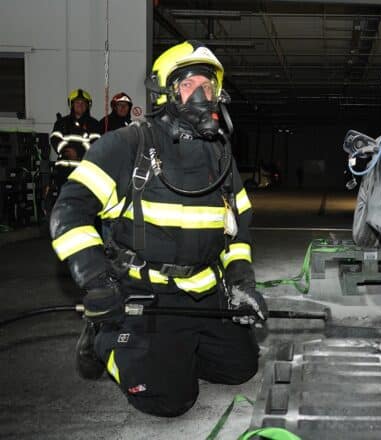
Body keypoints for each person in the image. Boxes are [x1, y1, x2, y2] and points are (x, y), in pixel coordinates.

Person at [49, 41, 266, 417]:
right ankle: (107, 341)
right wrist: (98, 282)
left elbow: (238, 230)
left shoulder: (220, 156)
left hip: (204, 290)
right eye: (188, 84)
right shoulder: (127, 145)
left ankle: (171, 354)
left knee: (241, 368)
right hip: (147, 293)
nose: (201, 95)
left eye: (208, 86)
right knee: (171, 400)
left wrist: (241, 281)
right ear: (165, 92)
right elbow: (69, 212)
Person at [44, 89, 101, 215]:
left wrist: (78, 154)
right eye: (77, 102)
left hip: (85, 173)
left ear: (88, 106)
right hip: (64, 172)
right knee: (63, 204)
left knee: (84, 205)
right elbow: (55, 139)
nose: (80, 105)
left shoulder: (94, 124)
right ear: (71, 104)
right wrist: (66, 150)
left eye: (83, 103)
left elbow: (96, 145)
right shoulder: (61, 123)